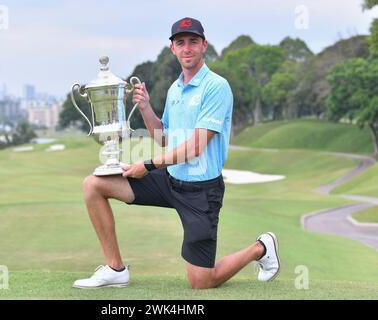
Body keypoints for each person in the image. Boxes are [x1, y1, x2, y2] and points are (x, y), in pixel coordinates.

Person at [73, 17, 280, 289]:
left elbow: (196, 146)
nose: (187, 48)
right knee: (94, 185)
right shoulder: (175, 89)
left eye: (193, 42)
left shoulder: (216, 87)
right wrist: (146, 108)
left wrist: (147, 165)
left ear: (204, 45)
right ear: (173, 49)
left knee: (201, 282)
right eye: (180, 43)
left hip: (201, 192)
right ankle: (115, 269)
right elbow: (163, 138)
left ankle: (261, 248)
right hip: (170, 180)